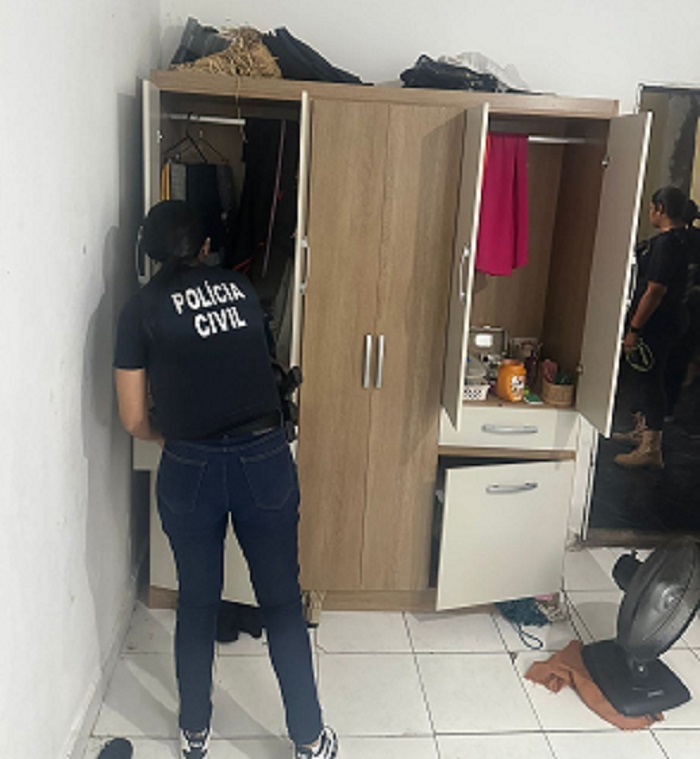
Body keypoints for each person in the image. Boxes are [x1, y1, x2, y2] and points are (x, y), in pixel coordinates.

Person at [113, 200, 337, 759]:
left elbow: (134, 418)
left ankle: (194, 733)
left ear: (149, 253)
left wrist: (174, 439)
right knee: (281, 602)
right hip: (264, 459)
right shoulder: (239, 291)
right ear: (206, 247)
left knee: (197, 602)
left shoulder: (138, 311)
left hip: (190, 468)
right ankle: (310, 739)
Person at [614, 186, 693, 469]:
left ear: (660, 209)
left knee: (651, 380)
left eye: (651, 208)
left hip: (656, 323)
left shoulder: (667, 245)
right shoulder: (684, 240)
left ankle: (651, 447)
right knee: (647, 376)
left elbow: (654, 291)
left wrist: (635, 328)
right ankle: (643, 430)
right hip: (672, 319)